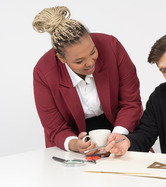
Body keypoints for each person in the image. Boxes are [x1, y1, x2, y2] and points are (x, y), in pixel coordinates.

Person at [32, 6, 143, 155]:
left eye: (93, 52)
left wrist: (117, 136)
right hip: (75, 136)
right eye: (79, 61)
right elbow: (55, 127)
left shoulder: (111, 46)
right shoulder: (43, 72)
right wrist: (76, 145)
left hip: (121, 125)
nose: (90, 63)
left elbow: (131, 102)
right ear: (61, 58)